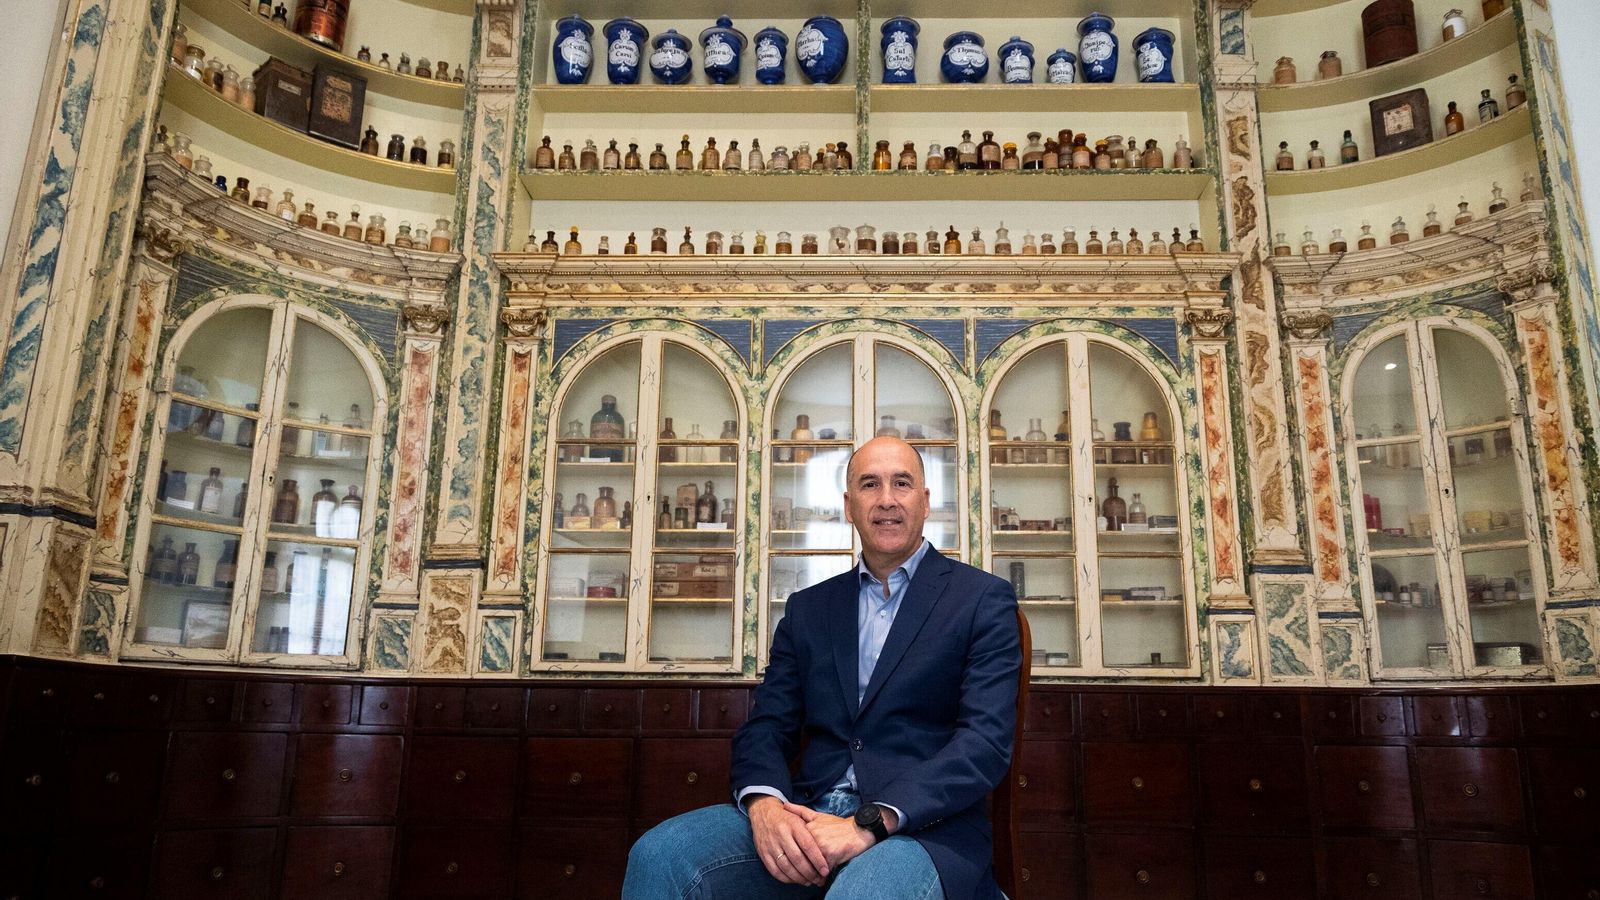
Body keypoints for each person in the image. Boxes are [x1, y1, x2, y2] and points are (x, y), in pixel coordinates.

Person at [623, 436, 1021, 899]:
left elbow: (983, 744)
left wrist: (870, 822)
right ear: (849, 506)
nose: (887, 499)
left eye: (902, 483)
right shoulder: (809, 608)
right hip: (809, 814)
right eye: (870, 485)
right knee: (660, 855)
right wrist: (765, 804)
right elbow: (767, 726)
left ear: (926, 502)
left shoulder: (980, 600)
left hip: (923, 831)